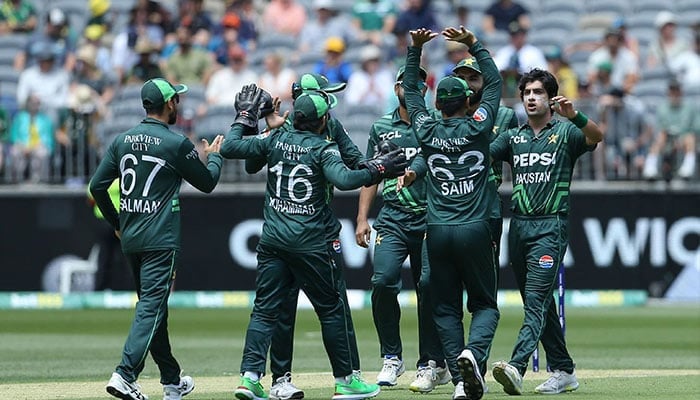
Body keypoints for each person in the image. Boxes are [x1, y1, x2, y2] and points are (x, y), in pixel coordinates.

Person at [221, 85, 405, 400]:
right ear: (322, 121)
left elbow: (230, 147)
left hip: (273, 240)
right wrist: (379, 169)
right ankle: (346, 381)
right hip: (310, 243)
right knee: (331, 309)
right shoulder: (323, 148)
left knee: (265, 311)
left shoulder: (275, 138)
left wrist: (247, 116)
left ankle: (250, 378)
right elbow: (345, 180)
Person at [90, 77, 224, 400]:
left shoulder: (122, 140)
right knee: (151, 306)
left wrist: (117, 222)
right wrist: (215, 156)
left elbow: (96, 186)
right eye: (176, 99)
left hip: (132, 237)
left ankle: (172, 380)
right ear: (168, 104)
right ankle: (125, 375)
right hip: (160, 239)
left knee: (154, 308)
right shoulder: (175, 143)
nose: (178, 103)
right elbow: (207, 183)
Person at [243, 73, 364, 400]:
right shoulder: (289, 129)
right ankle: (282, 379)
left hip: (312, 232)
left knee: (329, 304)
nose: (329, 102)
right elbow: (253, 164)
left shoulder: (329, 127)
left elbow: (354, 161)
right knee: (291, 308)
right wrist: (271, 127)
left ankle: (350, 372)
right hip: (309, 236)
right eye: (322, 96)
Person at [401, 26, 502, 400]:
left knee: (443, 308)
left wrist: (415, 49)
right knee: (485, 304)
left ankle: (461, 383)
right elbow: (493, 85)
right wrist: (473, 44)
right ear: (467, 101)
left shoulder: (426, 129)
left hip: (438, 230)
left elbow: (412, 92)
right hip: (475, 227)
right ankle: (473, 356)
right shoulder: (479, 126)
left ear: (438, 103)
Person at [489, 68, 603, 395]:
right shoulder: (514, 136)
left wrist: (576, 115)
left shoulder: (566, 133)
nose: (531, 98)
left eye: (538, 92)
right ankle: (564, 370)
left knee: (537, 299)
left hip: (550, 226)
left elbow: (596, 136)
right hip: (519, 226)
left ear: (551, 99)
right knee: (538, 304)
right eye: (526, 93)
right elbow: (480, 157)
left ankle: (517, 366)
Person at [355, 63, 451, 393]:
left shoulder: (436, 125)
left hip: (430, 218)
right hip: (393, 217)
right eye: (407, 85)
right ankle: (391, 358)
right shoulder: (382, 127)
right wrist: (362, 218)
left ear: (425, 92)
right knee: (382, 282)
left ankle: (430, 362)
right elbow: (371, 175)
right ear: (397, 89)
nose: (413, 90)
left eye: (420, 86)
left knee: (428, 286)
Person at [451, 56, 519, 263]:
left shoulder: (505, 116)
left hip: (486, 205)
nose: (467, 84)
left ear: (486, 83)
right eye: (461, 78)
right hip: (448, 205)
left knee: (486, 275)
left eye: (473, 78)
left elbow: (519, 163)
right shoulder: (444, 114)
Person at [642, 80, 696, 180]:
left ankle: (687, 168)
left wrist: (680, 139)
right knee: (660, 137)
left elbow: (693, 127)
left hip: (683, 138)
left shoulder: (689, 108)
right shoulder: (662, 108)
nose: (674, 94)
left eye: (677, 91)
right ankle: (650, 167)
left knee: (690, 138)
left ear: (681, 92)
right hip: (667, 138)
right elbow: (662, 126)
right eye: (672, 91)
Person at [8, 94, 55, 183]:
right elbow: (14, 135)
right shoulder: (19, 118)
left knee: (42, 153)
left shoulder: (45, 119)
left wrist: (36, 146)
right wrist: (22, 146)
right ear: (28, 103)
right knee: (15, 152)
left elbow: (48, 138)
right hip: (22, 145)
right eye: (33, 103)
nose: (35, 105)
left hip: (38, 145)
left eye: (37, 103)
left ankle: (38, 180)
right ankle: (17, 180)